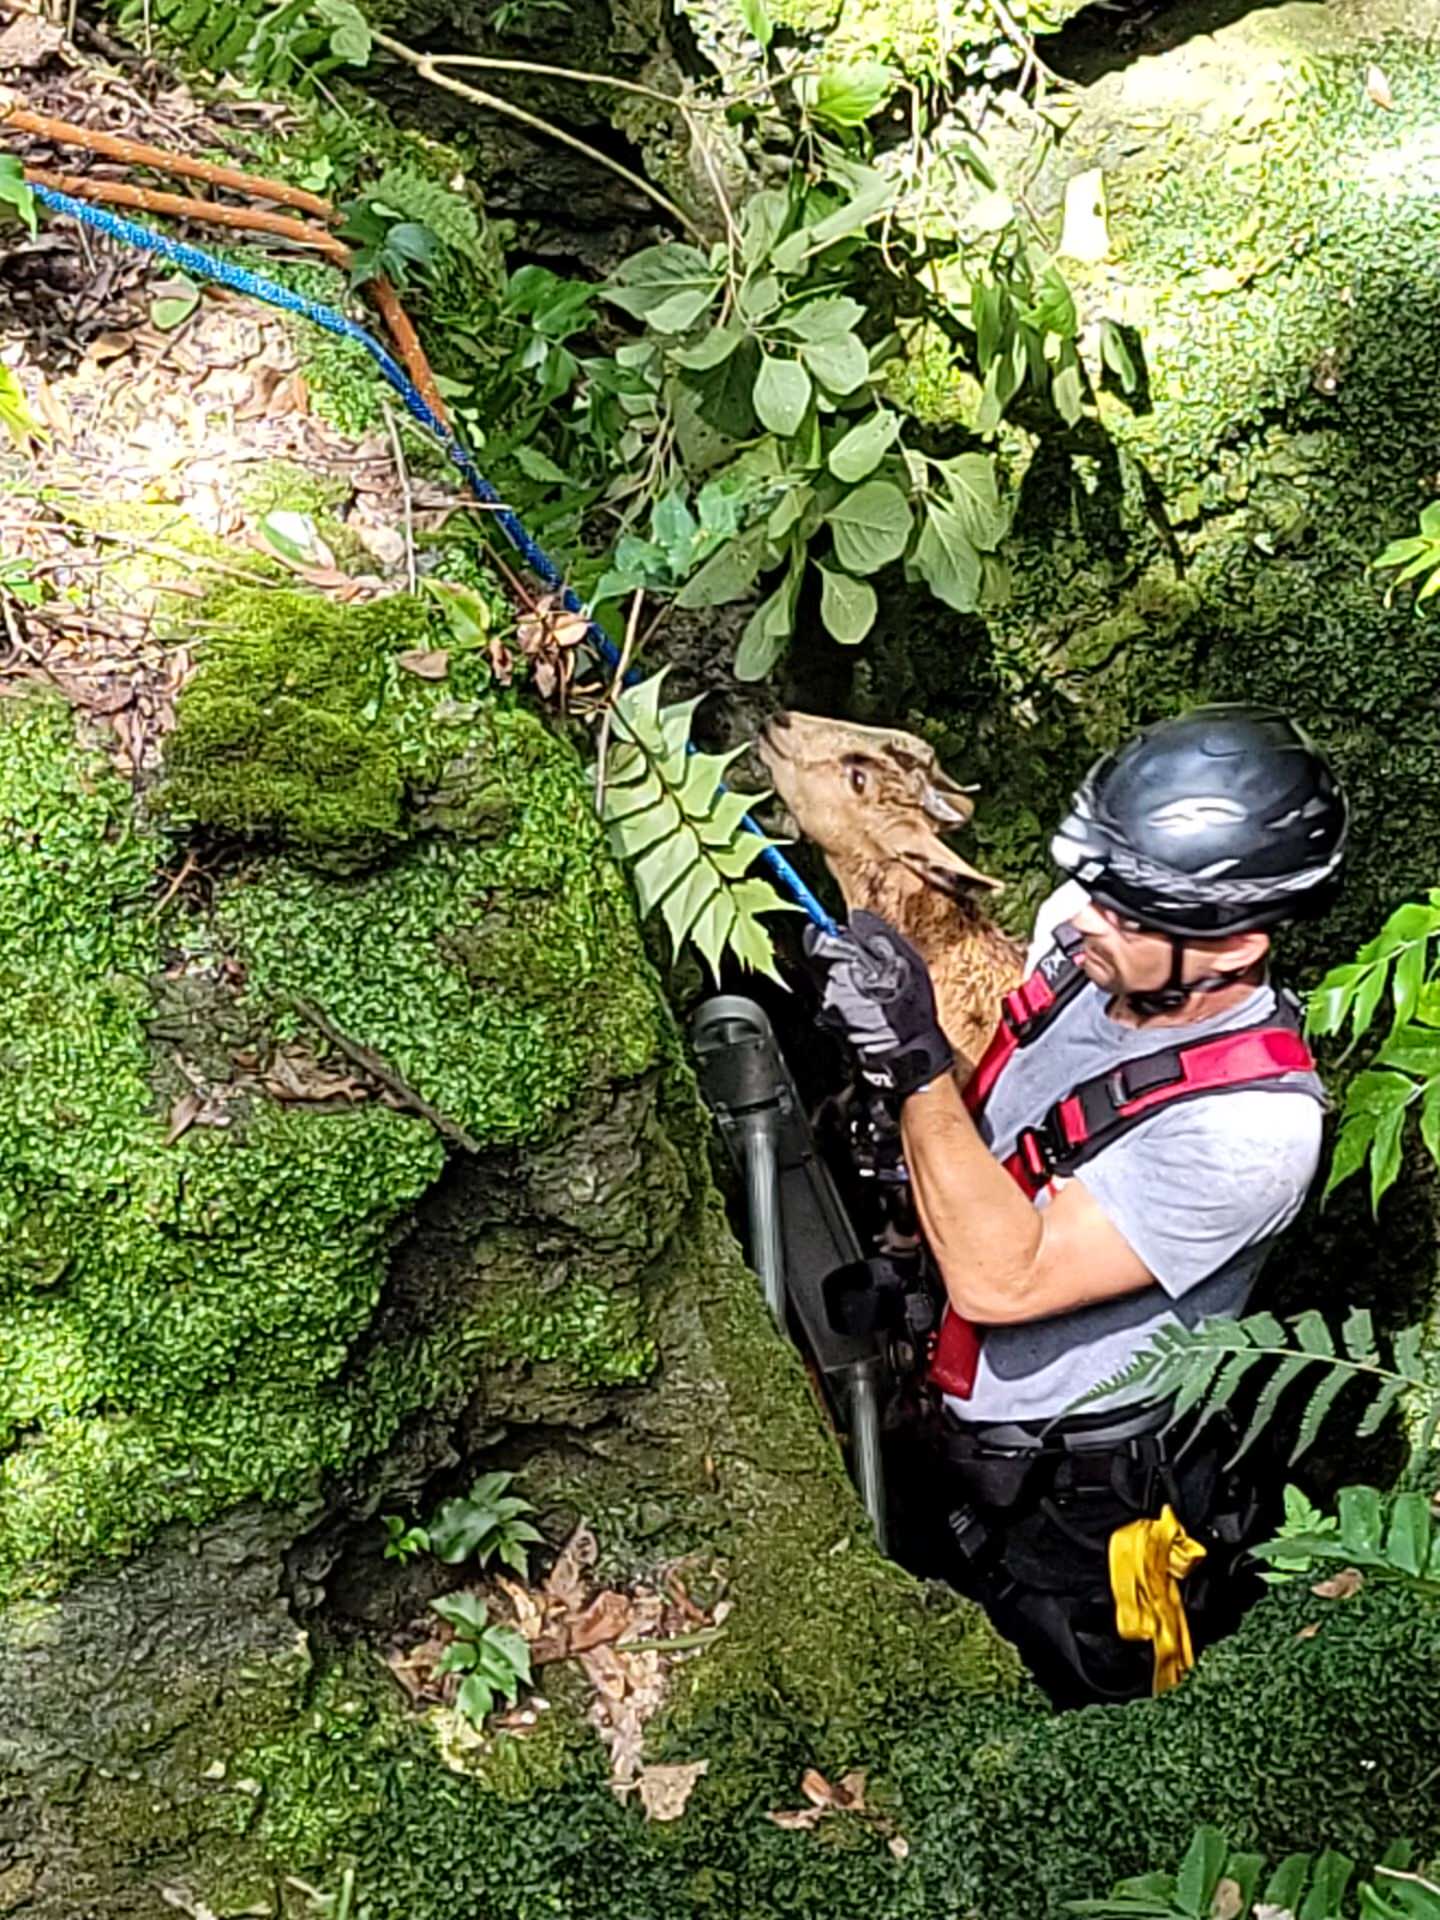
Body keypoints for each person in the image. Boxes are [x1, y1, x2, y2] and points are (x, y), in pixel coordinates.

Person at [805, 705, 1348, 1705]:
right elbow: (1004, 1117)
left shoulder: (1252, 1131)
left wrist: (914, 1065)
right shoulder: (1079, 940)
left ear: (1233, 947)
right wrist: (890, 1019)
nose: (1088, 916)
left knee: (1078, 1706)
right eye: (1097, 885)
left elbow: (1003, 1280)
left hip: (1086, 1516)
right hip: (942, 1418)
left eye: (1131, 914)